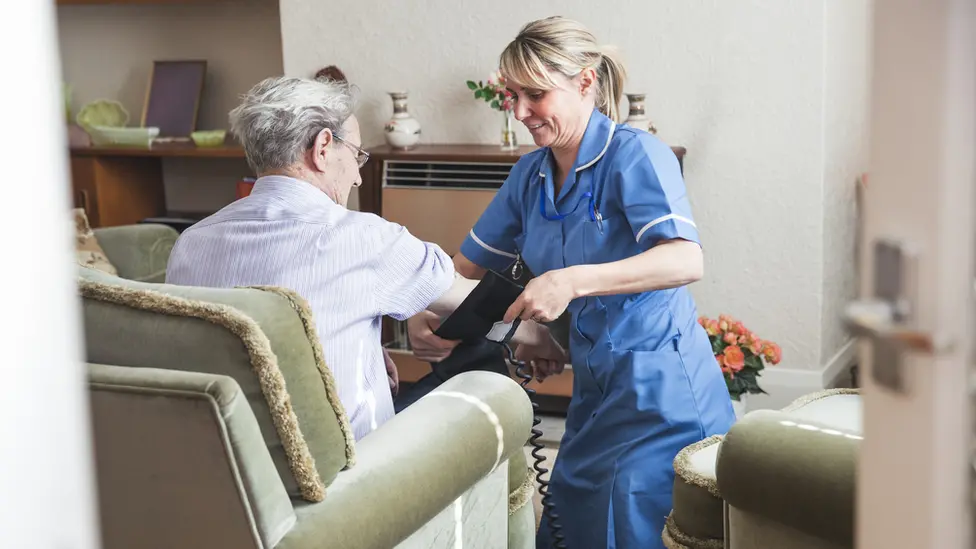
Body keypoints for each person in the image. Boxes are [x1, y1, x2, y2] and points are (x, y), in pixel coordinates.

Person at [409, 16, 735, 549]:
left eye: (535, 94)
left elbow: (683, 259)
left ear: (586, 82)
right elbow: (462, 267)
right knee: (571, 518)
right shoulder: (529, 174)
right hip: (594, 383)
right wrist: (423, 308)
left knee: (634, 523)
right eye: (512, 95)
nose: (519, 111)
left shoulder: (637, 155)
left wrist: (570, 282)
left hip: (659, 387)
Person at [166, 75, 565, 440]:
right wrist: (547, 343)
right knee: (483, 359)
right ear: (323, 147)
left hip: (231, 460)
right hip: (353, 478)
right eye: (356, 156)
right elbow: (478, 303)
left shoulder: (191, 243)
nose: (358, 177)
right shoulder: (363, 238)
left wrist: (371, 349)